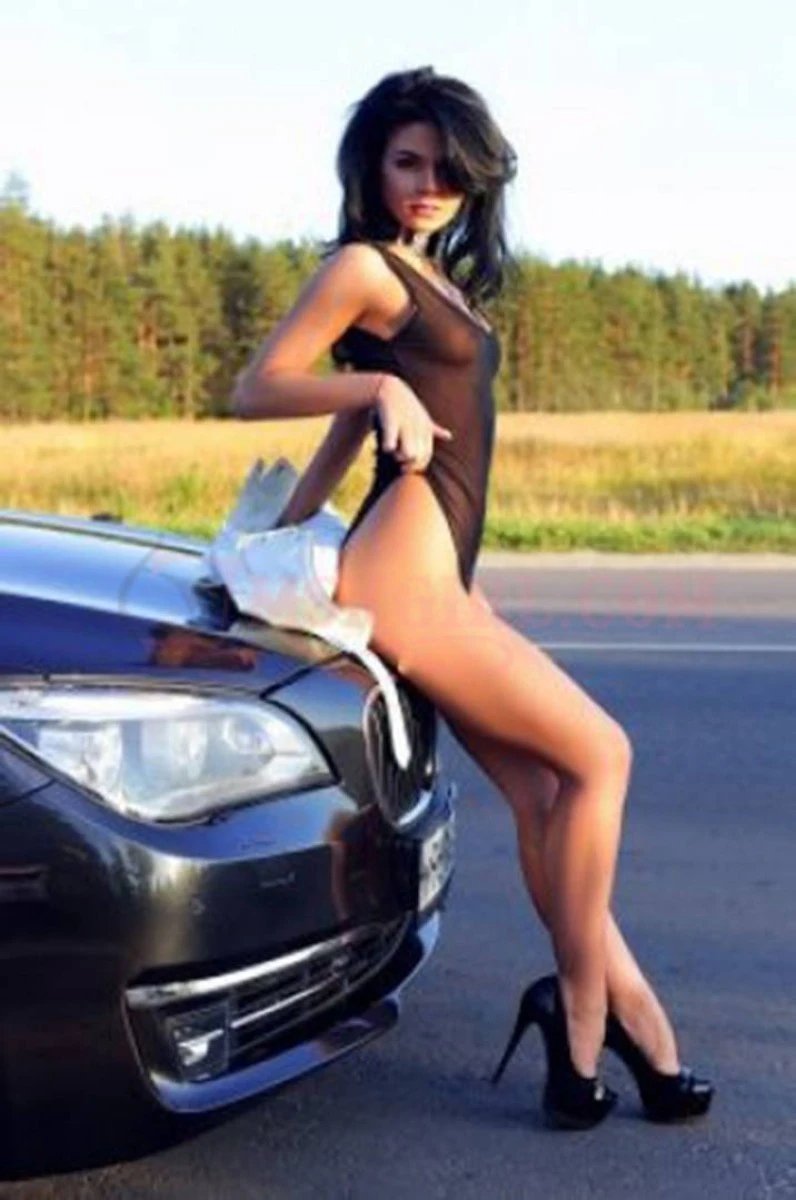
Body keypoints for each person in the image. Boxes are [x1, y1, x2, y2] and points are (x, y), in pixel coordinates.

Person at [232, 66, 713, 1130]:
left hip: (438, 571)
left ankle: (626, 1023)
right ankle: (587, 1014)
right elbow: (257, 386)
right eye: (407, 163)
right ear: (371, 164)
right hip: (403, 571)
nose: (426, 186)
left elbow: (350, 431)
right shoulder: (361, 265)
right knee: (602, 756)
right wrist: (378, 384)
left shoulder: (430, 277)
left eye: (447, 171)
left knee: (547, 796)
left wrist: (297, 517)